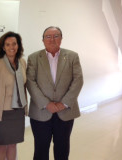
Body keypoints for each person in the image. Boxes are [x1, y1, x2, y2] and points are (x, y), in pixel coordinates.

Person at [26, 26, 83, 160]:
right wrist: (46, 104)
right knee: (41, 149)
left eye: (56, 36)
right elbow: (30, 82)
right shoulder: (34, 58)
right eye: (48, 36)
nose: (52, 39)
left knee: (62, 149)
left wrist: (64, 103)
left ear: (61, 39)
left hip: (65, 111)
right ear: (43, 40)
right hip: (41, 112)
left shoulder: (72, 56)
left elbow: (78, 80)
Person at [0, 31, 28, 160]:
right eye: (7, 44)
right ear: (3, 47)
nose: (11, 47)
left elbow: (24, 85)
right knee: (2, 145)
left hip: (18, 111)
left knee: (13, 145)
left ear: (18, 45)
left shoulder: (22, 63)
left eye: (14, 43)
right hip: (2, 112)